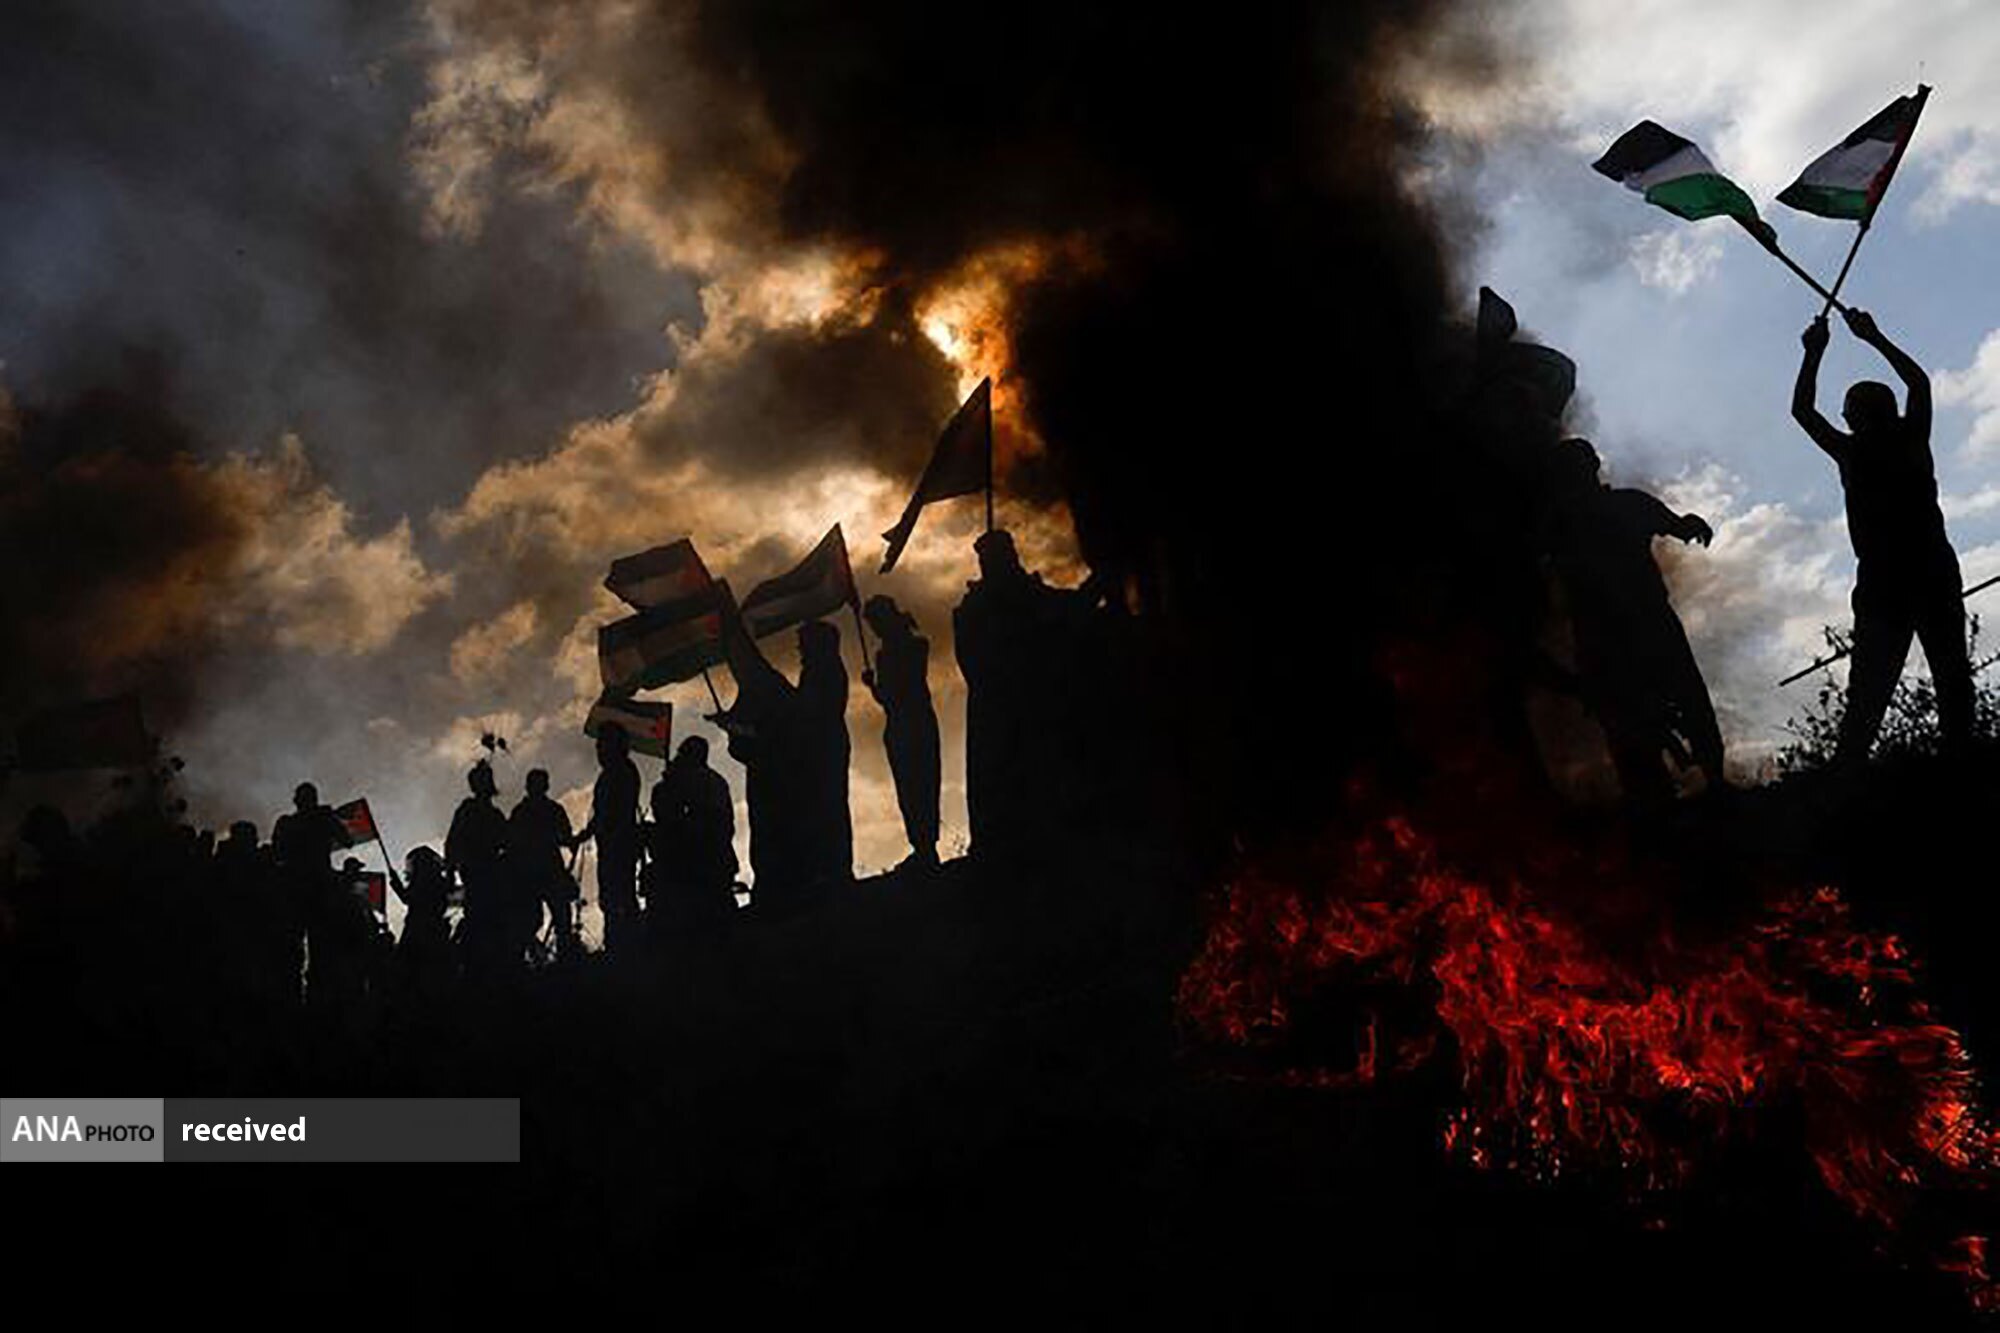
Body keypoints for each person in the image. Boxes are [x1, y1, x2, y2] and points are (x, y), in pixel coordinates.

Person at [1793, 308, 1971, 761]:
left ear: (1853, 417)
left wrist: (1814, 352)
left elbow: (1803, 412)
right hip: (1930, 569)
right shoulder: (1911, 437)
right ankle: (1963, 766)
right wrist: (1873, 337)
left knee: (1870, 694)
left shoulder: (1851, 451)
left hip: (1886, 579)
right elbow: (1919, 384)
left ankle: (1849, 775)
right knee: (1952, 679)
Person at [1540, 438, 1725, 801]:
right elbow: (1680, 526)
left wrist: (1690, 524)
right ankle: (1682, 794)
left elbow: (1678, 525)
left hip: (1631, 626)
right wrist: (1689, 525)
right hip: (1617, 631)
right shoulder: (1572, 520)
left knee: (1676, 703)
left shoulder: (1603, 511)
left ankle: (1706, 786)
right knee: (1643, 716)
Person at [863, 594, 942, 870]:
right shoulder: (901, 650)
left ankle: (926, 847)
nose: (874, 630)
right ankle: (922, 846)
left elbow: (895, 694)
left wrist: (875, 687)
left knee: (920, 784)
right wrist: (873, 687)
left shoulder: (910, 648)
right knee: (910, 787)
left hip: (913, 724)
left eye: (875, 623)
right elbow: (888, 699)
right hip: (903, 725)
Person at [649, 735, 738, 932]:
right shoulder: (713, 780)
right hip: (714, 861)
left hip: (700, 864)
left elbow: (677, 819)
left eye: (682, 753)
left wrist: (670, 783)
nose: (678, 758)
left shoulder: (695, 781)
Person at [271, 782, 348, 1005]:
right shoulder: (323, 819)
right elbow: (347, 840)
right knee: (319, 948)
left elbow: (277, 853)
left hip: (297, 890)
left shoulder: (287, 823)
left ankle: (296, 997)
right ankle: (316, 998)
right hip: (317, 889)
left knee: (295, 948)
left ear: (297, 801)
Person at [794, 620, 853, 889]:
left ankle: (833, 868)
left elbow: (811, 708)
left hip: (824, 743)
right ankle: (832, 867)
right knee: (827, 805)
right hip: (826, 741)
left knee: (827, 805)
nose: (799, 649)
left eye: (803, 644)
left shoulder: (821, 670)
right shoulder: (825, 668)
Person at [577, 728, 643, 953]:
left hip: (618, 844)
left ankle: (623, 945)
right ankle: (619, 942)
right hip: (612, 844)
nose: (599, 752)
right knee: (614, 895)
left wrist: (588, 833)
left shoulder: (620, 772)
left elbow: (609, 813)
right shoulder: (617, 772)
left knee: (619, 895)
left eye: (602, 746)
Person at [445, 761, 511, 973]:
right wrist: (450, 871)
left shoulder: (492, 814)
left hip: (488, 873)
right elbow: (453, 842)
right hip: (477, 871)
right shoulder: (471, 811)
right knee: (480, 917)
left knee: (487, 917)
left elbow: (508, 843)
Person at [509, 768, 576, 960]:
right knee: (551, 919)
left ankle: (531, 959)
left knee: (544, 919)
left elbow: (510, 842)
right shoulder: (550, 810)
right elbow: (566, 838)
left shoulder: (522, 812)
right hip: (541, 873)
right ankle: (549, 958)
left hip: (534, 874)